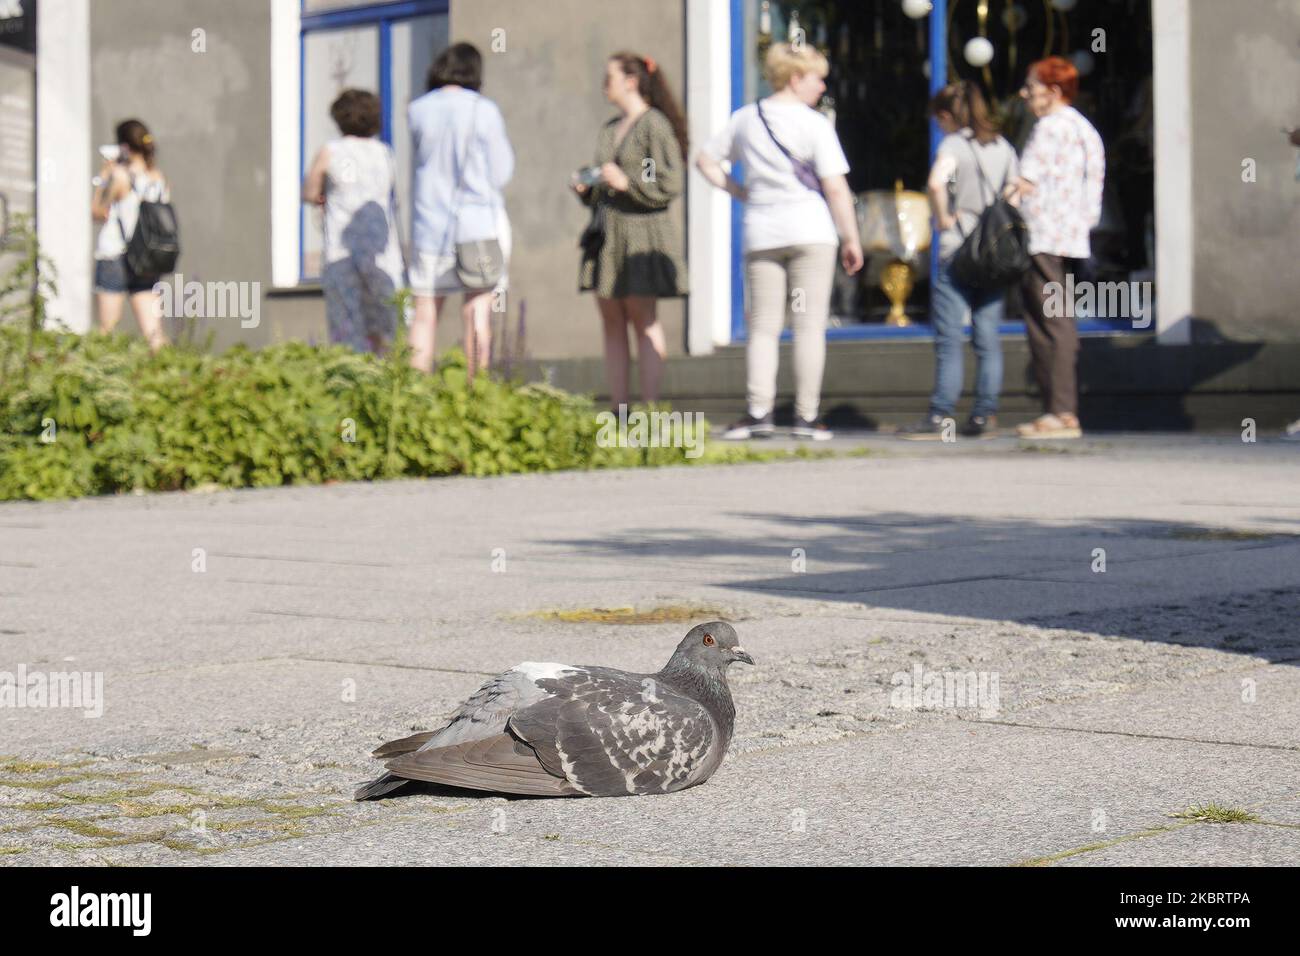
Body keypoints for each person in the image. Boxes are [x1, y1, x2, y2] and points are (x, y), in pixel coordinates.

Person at [697, 42, 864, 441]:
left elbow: (704, 159)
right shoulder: (815, 124)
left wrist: (739, 192)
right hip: (811, 232)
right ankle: (806, 419)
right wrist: (851, 238)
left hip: (762, 232)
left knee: (764, 329)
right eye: (816, 77)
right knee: (808, 327)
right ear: (794, 78)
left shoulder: (746, 119)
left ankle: (759, 414)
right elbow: (836, 188)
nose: (822, 86)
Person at [899, 81, 1018, 440]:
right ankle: (984, 415)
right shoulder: (1003, 146)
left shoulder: (953, 145)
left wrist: (943, 217)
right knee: (987, 338)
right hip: (995, 254)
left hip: (959, 248)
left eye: (939, 119)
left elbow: (936, 183)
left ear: (948, 116)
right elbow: (1015, 192)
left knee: (950, 338)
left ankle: (940, 415)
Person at [573, 52, 689, 409]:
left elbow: (664, 179)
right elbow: (606, 180)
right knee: (612, 321)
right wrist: (588, 185)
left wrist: (629, 181)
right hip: (608, 235)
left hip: (641, 233)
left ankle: (650, 408)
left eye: (609, 76)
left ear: (631, 81)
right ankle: (620, 409)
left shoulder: (653, 124)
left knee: (643, 319)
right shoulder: (611, 127)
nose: (603, 83)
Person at [1008, 56, 1105, 439]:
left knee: (1048, 320)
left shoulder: (1049, 128)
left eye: (1031, 87)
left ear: (1053, 91)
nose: (1024, 93)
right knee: (1058, 315)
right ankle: (1060, 410)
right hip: (1069, 234)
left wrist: (997, 213)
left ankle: (1060, 411)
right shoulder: (1085, 129)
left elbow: (1025, 181)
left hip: (1042, 231)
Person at [406, 42, 514, 377]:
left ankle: (413, 396)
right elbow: (502, 172)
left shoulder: (418, 110)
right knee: (477, 310)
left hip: (428, 228)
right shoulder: (484, 110)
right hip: (477, 227)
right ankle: (475, 395)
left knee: (425, 312)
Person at [302, 89, 403, 355]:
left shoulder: (330, 152)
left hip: (342, 252)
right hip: (381, 252)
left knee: (346, 320)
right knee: (385, 320)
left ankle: (353, 379)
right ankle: (386, 375)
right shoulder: (385, 153)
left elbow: (310, 193)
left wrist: (322, 194)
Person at [91, 119, 169, 352]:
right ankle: (167, 376)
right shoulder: (157, 178)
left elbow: (97, 211)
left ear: (123, 146)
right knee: (154, 334)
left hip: (115, 255)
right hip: (146, 258)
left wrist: (103, 175)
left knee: (106, 331)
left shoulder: (120, 176)